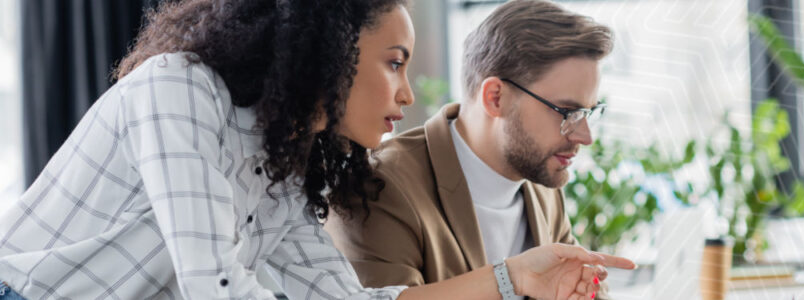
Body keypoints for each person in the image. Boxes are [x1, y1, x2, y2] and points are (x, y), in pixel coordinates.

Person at [0, 1, 633, 299]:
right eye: (394, 63)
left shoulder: (284, 164)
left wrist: (514, 276)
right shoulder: (179, 88)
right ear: (329, 49)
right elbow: (215, 287)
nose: (408, 93)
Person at [325, 0, 615, 296]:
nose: (585, 136)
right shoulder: (380, 186)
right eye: (567, 112)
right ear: (495, 98)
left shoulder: (543, 182)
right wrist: (508, 279)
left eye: (588, 113)